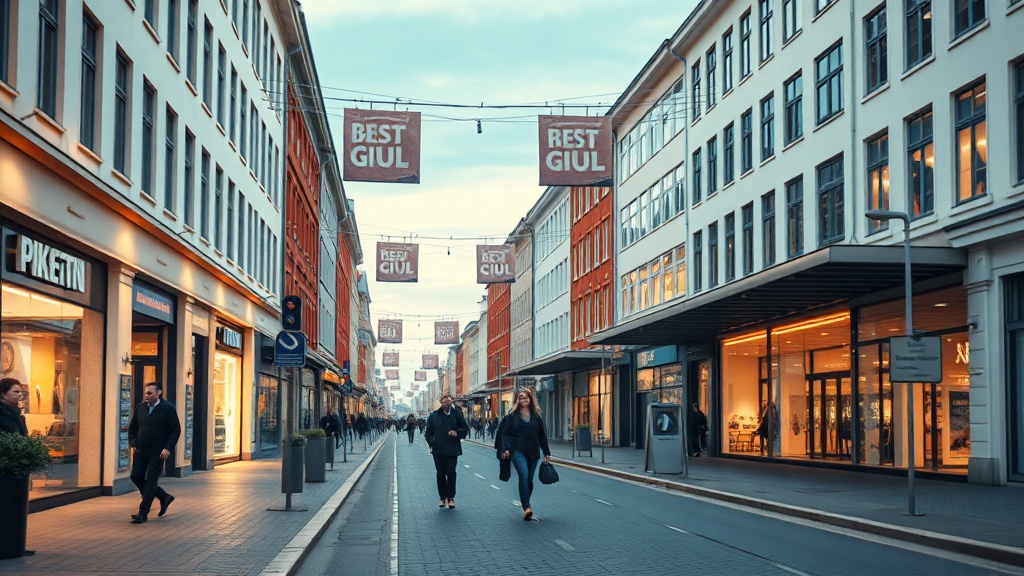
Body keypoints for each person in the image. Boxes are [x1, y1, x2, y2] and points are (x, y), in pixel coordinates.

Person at [127, 382, 181, 524]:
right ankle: (163, 497)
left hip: (158, 451)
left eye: (150, 393)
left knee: (151, 480)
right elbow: (132, 427)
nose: (147, 396)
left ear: (159, 393)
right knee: (136, 476)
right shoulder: (141, 408)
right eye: (146, 393)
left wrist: (168, 447)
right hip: (140, 450)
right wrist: (133, 442)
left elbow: (176, 430)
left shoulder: (167, 409)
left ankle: (143, 513)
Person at [501, 388, 551, 520]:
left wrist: (546, 452)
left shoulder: (536, 415)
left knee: (529, 479)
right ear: (518, 400)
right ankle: (527, 506)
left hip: (533, 451)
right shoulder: (512, 416)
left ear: (530, 399)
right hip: (518, 450)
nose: (524, 400)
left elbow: (542, 435)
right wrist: (506, 448)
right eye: (521, 398)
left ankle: (526, 501)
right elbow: (505, 433)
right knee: (523, 474)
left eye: (526, 397)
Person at [424, 394, 468, 509]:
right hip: (438, 450)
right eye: (444, 403)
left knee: (451, 472)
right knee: (440, 473)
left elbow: (465, 428)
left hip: (453, 449)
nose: (446, 405)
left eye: (448, 402)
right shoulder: (434, 416)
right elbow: (428, 433)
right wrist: (432, 444)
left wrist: (457, 433)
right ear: (441, 403)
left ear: (451, 402)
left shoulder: (456, 414)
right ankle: (442, 497)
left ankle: (451, 498)